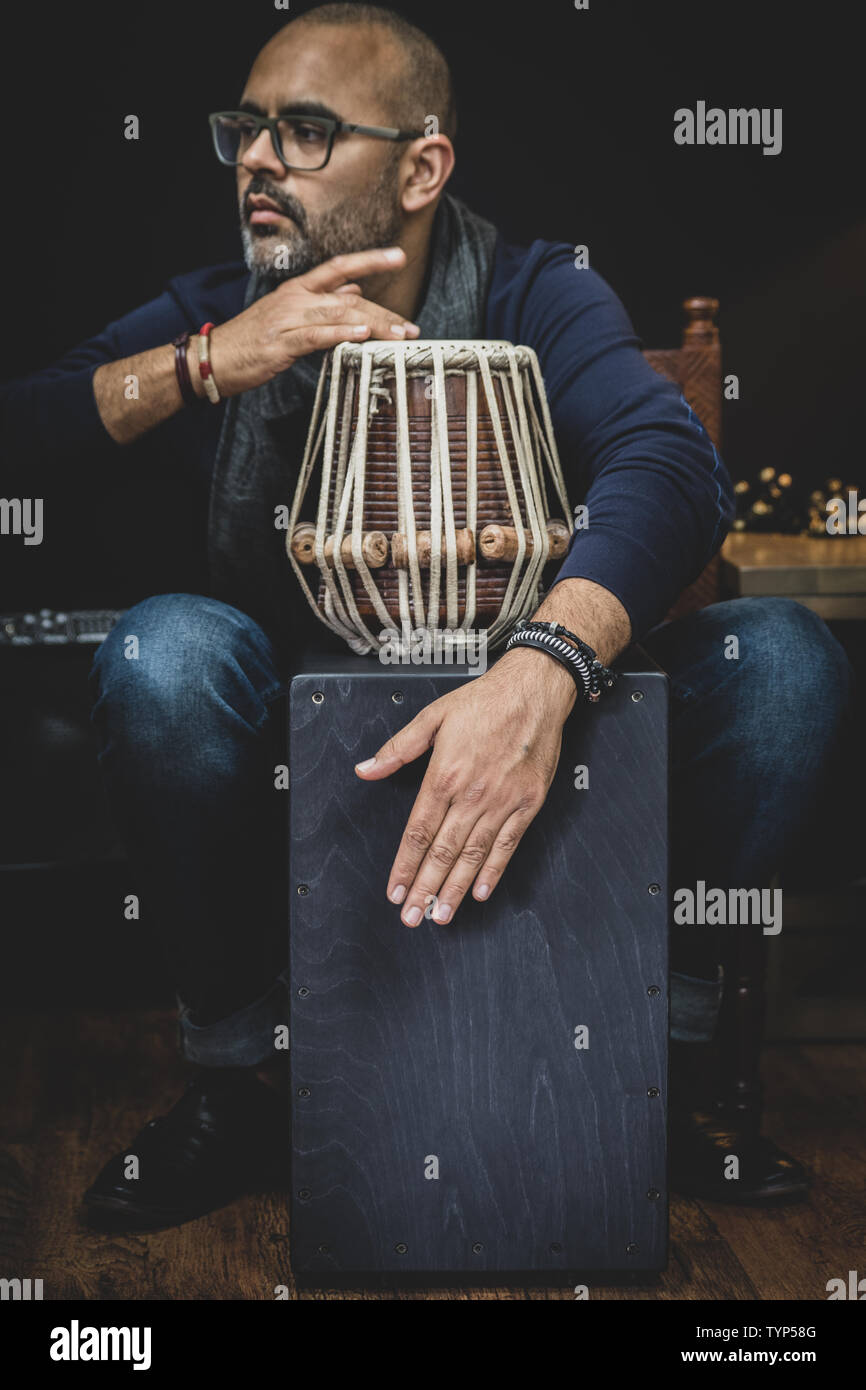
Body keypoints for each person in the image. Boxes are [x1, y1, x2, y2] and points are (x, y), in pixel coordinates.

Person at [1, 4, 851, 1229]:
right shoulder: (218, 305)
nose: (253, 159)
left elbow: (671, 466)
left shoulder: (538, 289)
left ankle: (657, 1070)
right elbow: (20, 434)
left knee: (779, 663)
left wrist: (545, 667)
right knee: (167, 651)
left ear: (421, 166)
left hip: (539, 734)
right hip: (301, 742)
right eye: (246, 130)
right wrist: (202, 362)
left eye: (302, 133)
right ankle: (238, 1079)